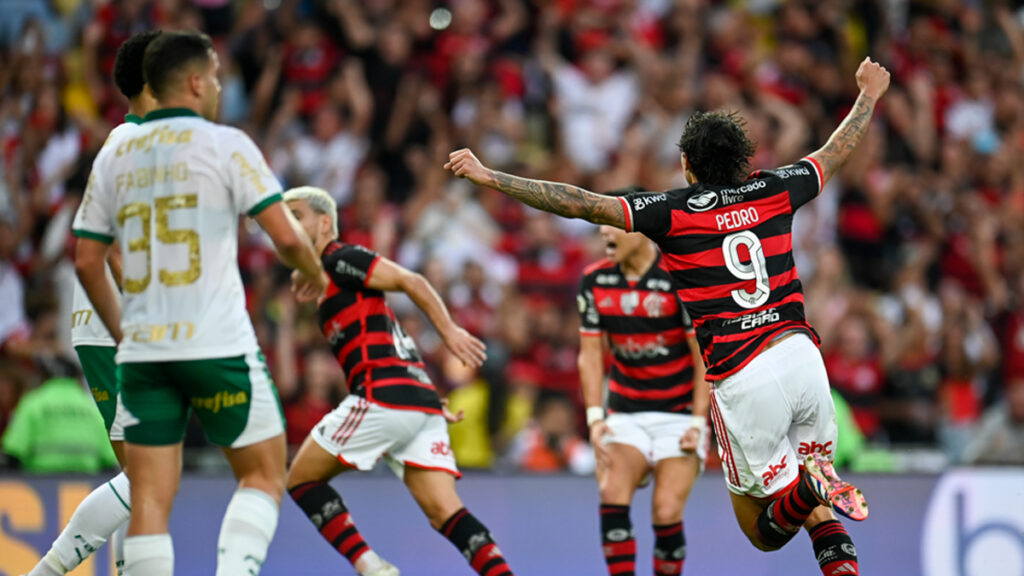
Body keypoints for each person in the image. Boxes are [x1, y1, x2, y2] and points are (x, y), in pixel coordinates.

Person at [445, 57, 892, 576]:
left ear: (687, 164)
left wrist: (489, 176)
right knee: (818, 512)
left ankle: (811, 484)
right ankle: (818, 491)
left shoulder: (672, 210)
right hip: (802, 357)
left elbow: (578, 203)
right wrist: (868, 95)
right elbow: (834, 152)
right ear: (745, 161)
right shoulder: (777, 188)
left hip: (745, 375)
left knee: (766, 531)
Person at [72, 31, 327, 576]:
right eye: (214, 76)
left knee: (149, 499)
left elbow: (87, 262)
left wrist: (126, 336)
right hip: (215, 342)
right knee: (263, 472)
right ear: (193, 82)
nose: (218, 86)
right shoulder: (227, 144)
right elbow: (285, 238)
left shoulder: (114, 155)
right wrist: (315, 272)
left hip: (143, 352)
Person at [282, 186, 515, 576]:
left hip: (383, 398)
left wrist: (450, 331)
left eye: (297, 215)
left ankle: (372, 568)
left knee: (301, 479)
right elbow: (387, 338)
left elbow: (413, 281)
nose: (287, 224)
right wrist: (423, 395)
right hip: (415, 401)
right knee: (446, 512)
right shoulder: (325, 276)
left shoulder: (341, 258)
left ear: (325, 223)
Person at [22, 30, 160, 576]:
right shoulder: (135, 145)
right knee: (150, 473)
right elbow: (113, 243)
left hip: (104, 321)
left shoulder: (130, 141)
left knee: (140, 477)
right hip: (118, 321)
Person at [576, 192, 708, 576]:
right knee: (611, 492)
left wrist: (700, 422)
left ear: (639, 227)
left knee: (666, 511)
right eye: (601, 224)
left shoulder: (677, 277)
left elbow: (702, 357)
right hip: (626, 411)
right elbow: (589, 355)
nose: (604, 231)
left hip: (679, 414)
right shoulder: (594, 280)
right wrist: (594, 416)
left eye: (612, 223)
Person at [2, 357, 117, 473]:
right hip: (87, 484)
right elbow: (109, 459)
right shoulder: (92, 407)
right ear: (77, 378)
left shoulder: (32, 403)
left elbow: (13, 451)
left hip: (39, 483)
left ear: (45, 376)